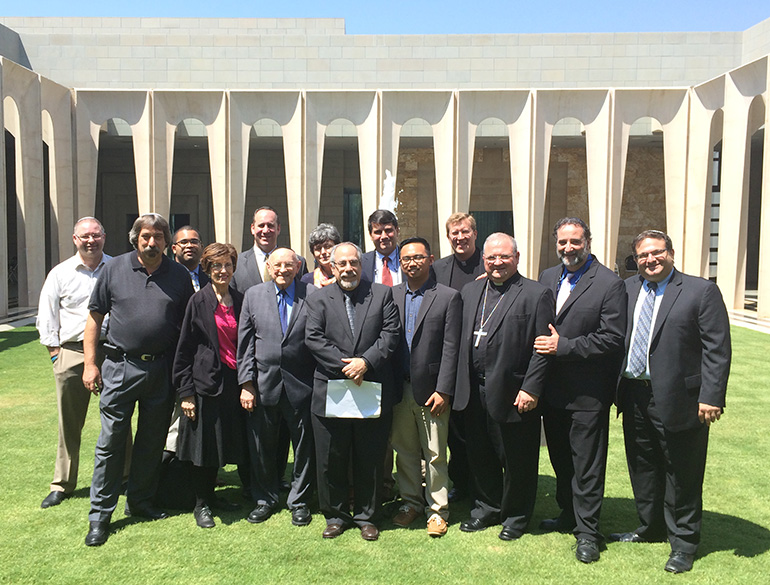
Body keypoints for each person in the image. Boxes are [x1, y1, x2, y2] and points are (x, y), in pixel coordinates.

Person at [611, 230, 731, 574]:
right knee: (643, 466)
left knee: (683, 473)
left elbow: (717, 349)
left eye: (656, 253)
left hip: (682, 398)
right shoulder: (628, 288)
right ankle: (650, 528)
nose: (650, 260)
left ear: (671, 253)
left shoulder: (700, 291)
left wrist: (711, 396)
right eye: (643, 256)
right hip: (633, 395)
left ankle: (684, 544)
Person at [82, 213, 194, 546]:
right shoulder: (114, 269)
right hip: (120, 366)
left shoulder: (178, 275)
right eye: (146, 236)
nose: (151, 242)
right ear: (136, 239)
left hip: (161, 370)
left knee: (151, 441)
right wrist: (91, 364)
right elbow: (94, 318)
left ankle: (141, 502)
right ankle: (100, 516)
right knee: (111, 441)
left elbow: (187, 326)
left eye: (158, 236)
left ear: (166, 241)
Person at [535, 217, 627, 563]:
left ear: (587, 241)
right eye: (562, 243)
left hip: (588, 394)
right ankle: (568, 513)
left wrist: (564, 347)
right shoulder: (547, 277)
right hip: (552, 392)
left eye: (575, 242)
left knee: (587, 465)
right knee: (561, 460)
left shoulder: (609, 283)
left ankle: (588, 533)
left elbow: (612, 338)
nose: (568, 248)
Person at [454, 233, 554, 541]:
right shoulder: (470, 291)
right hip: (474, 390)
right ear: (483, 260)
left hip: (515, 392)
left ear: (517, 257)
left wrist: (532, 388)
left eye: (504, 257)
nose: (497, 263)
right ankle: (486, 507)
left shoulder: (536, 294)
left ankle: (516, 515)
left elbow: (543, 347)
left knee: (517, 458)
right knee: (480, 454)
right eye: (491, 258)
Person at [305, 242, 401, 541]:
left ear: (362, 265)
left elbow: (391, 333)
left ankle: (367, 516)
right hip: (332, 388)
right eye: (342, 264)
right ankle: (335, 515)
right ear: (332, 267)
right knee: (331, 457)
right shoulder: (318, 299)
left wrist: (366, 362)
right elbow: (313, 338)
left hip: (370, 386)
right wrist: (347, 366)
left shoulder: (382, 294)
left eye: (353, 263)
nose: (348, 269)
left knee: (369, 456)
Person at [36, 217, 130, 509]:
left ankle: (125, 477)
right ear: (75, 239)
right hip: (72, 353)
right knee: (70, 423)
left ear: (105, 236)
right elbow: (47, 314)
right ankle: (62, 483)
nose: (91, 241)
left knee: (119, 418)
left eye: (96, 235)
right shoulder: (60, 273)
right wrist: (56, 355)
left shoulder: (118, 269)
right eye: (84, 236)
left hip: (112, 351)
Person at [238, 248, 318, 527]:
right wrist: (246, 384)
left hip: (303, 385)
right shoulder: (254, 296)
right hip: (263, 384)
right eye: (277, 265)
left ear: (298, 266)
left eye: (288, 265)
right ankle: (265, 499)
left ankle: (299, 501)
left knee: (304, 447)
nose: (282, 270)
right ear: (269, 268)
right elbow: (245, 344)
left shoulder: (313, 295)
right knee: (262, 446)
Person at [390, 237, 461, 537]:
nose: (412, 263)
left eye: (418, 257)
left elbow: (451, 347)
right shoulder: (390, 295)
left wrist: (444, 389)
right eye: (406, 258)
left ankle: (437, 510)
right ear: (400, 262)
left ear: (430, 260)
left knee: (434, 453)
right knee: (404, 451)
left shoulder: (447, 296)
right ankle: (410, 503)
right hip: (398, 388)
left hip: (432, 391)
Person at [173, 243, 247, 528]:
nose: (222, 270)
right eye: (216, 266)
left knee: (221, 443)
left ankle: (215, 498)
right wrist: (186, 392)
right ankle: (201, 503)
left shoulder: (240, 300)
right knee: (202, 447)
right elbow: (184, 349)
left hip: (233, 383)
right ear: (207, 269)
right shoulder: (198, 301)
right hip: (204, 384)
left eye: (227, 265)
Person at [431, 212, 486, 503]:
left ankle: (485, 485)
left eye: (465, 232)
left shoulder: (489, 262)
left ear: (475, 234)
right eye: (454, 233)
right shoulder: (439, 268)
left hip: (481, 355)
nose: (460, 238)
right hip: (449, 357)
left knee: (479, 428)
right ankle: (461, 484)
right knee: (454, 430)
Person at [232, 206, 307, 293]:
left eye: (270, 225)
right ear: (252, 228)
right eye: (261, 225)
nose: (265, 230)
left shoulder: (297, 262)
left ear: (278, 229)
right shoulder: (237, 263)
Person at [361, 209, 402, 285]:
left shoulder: (408, 259)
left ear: (397, 231)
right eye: (378, 232)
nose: (384, 236)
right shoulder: (361, 263)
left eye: (388, 230)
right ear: (370, 235)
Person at [301, 223, 341, 288]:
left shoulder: (347, 276)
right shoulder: (307, 280)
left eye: (327, 247)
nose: (323, 252)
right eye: (318, 248)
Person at [171, 225, 209, 292]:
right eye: (184, 242)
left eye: (194, 242)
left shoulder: (210, 275)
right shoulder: (166, 276)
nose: (189, 245)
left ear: (202, 247)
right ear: (174, 249)